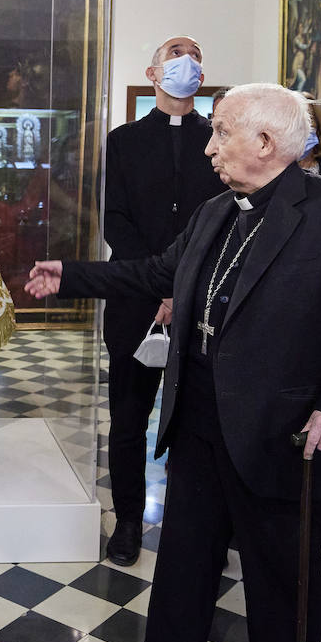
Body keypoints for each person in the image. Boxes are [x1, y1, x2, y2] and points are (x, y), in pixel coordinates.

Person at [25, 83, 321, 642]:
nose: (209, 147)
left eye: (222, 132)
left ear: (266, 142)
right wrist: (71, 274)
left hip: (281, 427)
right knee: (187, 547)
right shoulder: (215, 210)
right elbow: (155, 273)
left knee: (282, 565)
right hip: (200, 410)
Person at [95, 35, 224, 566]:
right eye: (175, 53)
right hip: (135, 298)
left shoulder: (219, 137)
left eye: (195, 53)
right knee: (129, 415)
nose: (186, 61)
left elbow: (226, 215)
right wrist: (158, 285)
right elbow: (114, 220)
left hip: (204, 300)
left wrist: (184, 286)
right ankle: (128, 519)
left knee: (199, 417)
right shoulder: (124, 140)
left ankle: (195, 521)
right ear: (153, 73)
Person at [298, 94, 321, 178]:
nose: (303, 125)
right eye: (296, 119)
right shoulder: (274, 173)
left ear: (318, 125)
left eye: (309, 118)